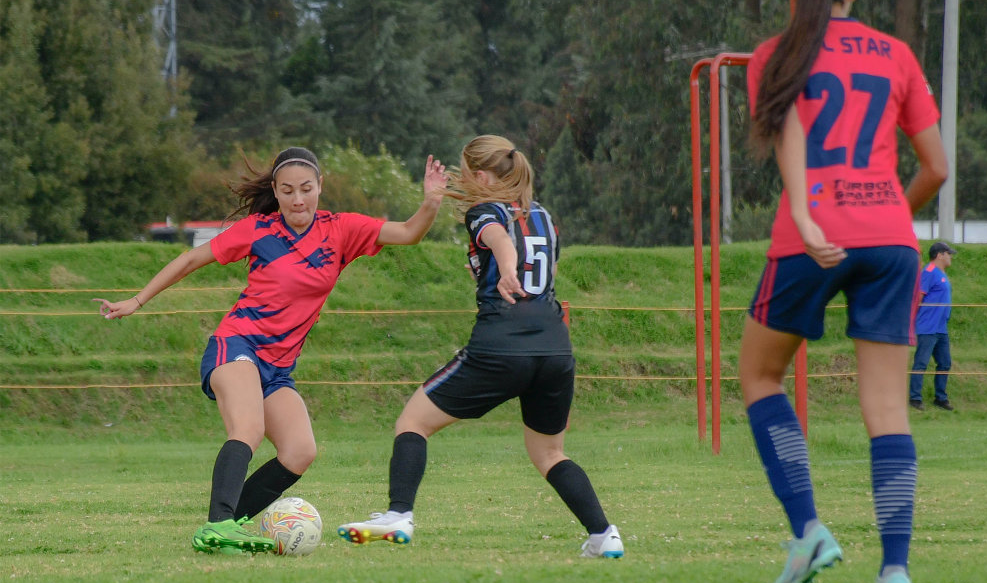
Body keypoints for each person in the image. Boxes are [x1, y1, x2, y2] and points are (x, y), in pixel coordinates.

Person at [95, 147, 447, 554]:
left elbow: (408, 233)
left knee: (300, 451)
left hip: (277, 368)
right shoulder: (258, 229)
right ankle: (218, 525)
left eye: (306, 189)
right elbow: (192, 258)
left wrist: (431, 202)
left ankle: (233, 524)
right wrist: (136, 301)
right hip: (236, 346)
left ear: (320, 187)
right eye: (287, 191)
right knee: (248, 428)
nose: (298, 199)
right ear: (276, 193)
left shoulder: (342, 229)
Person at [739, 0, 948, 583]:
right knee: (887, 407)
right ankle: (895, 574)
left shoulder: (775, 55)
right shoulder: (898, 54)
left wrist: (823, 214)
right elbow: (937, 167)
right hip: (890, 240)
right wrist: (888, 213)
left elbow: (788, 139)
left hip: (810, 236)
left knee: (760, 374)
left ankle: (807, 529)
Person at [336, 135, 623, 559]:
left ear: (484, 176)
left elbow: (500, 241)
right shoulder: (543, 215)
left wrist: (507, 271)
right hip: (555, 348)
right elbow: (550, 275)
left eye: (467, 173)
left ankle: (399, 515)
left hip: (501, 344)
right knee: (549, 452)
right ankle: (603, 534)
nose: (463, 181)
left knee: (413, 422)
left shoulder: (483, 212)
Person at [909, 242, 957, 411]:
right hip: (928, 327)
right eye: (948, 253)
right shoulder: (929, 272)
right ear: (939, 255)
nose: (950, 257)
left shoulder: (941, 273)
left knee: (944, 363)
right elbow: (919, 297)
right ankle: (914, 398)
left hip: (941, 328)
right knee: (921, 363)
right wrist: (913, 321)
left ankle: (940, 398)